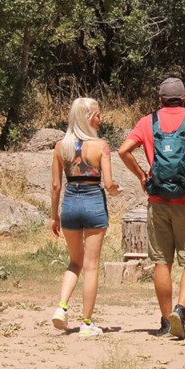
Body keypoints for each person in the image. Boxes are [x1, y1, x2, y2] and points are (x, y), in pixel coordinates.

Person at [118, 77, 185, 339]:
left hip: (158, 201)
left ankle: (166, 321)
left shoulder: (147, 122)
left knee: (162, 262)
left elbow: (123, 150)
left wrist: (143, 176)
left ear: (160, 99)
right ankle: (181, 311)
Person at [50, 97, 122, 337]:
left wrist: (54, 216)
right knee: (91, 267)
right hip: (93, 203)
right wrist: (115, 190)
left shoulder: (61, 146)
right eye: (98, 115)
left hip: (70, 203)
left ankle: (61, 308)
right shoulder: (101, 146)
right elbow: (109, 183)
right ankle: (86, 323)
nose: (100, 120)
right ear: (88, 117)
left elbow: (55, 186)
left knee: (74, 262)